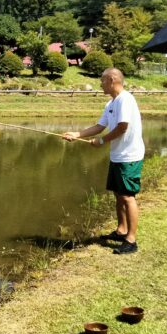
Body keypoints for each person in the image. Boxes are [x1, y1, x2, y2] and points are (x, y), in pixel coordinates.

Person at [62, 67, 144, 255]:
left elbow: (123, 127)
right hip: (118, 156)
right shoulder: (112, 103)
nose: (100, 84)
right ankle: (121, 230)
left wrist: (102, 141)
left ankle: (131, 240)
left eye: (102, 80)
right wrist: (76, 134)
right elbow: (100, 126)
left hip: (130, 156)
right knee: (118, 194)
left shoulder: (126, 100)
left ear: (112, 79)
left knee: (127, 196)